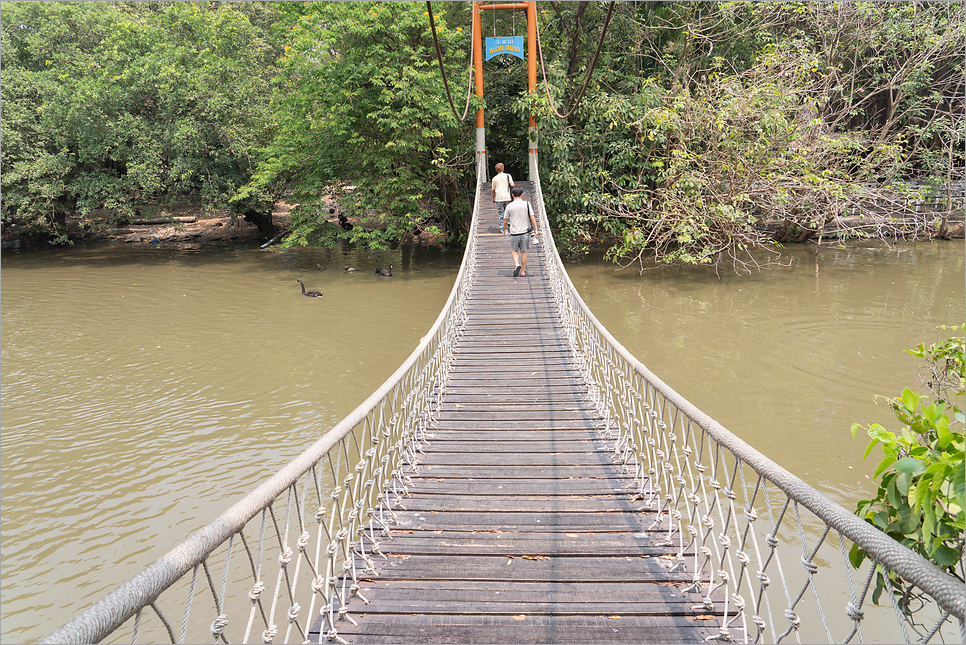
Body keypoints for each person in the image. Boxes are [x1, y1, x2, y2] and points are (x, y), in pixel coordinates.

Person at [502, 186, 539, 277]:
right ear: (522, 194)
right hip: (524, 233)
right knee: (523, 251)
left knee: (514, 250)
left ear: (512, 195)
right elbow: (532, 217)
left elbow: (506, 220)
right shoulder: (527, 204)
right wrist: (536, 229)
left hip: (514, 233)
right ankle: (522, 271)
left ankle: (516, 265)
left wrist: (504, 229)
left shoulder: (509, 206)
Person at [491, 163, 515, 233]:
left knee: (501, 213)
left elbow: (493, 190)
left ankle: (502, 228)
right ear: (503, 168)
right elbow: (512, 184)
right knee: (510, 212)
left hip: (499, 198)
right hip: (508, 197)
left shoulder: (494, 179)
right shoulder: (508, 175)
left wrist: (493, 198)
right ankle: (510, 223)